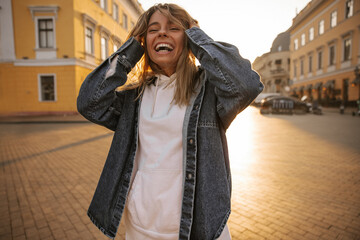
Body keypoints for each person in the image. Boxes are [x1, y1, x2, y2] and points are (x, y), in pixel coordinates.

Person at [77, 3, 263, 240]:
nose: (162, 33)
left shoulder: (209, 92)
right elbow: (88, 103)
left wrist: (196, 36)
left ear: (187, 38)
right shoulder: (134, 98)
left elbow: (246, 84)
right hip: (141, 228)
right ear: (144, 41)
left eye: (173, 28)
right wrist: (131, 50)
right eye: (153, 29)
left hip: (199, 229)